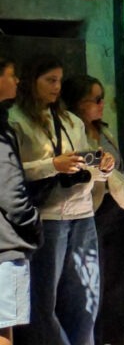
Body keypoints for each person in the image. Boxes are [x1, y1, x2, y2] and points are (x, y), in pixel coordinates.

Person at [10, 56, 112, 345]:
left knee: (86, 299)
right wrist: (52, 165)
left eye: (59, 80)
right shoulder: (17, 120)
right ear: (31, 81)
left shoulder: (71, 121)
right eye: (50, 80)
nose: (57, 87)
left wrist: (103, 167)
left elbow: (85, 167)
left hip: (82, 213)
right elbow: (13, 172)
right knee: (43, 301)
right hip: (48, 216)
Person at [62, 74, 124, 345]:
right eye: (95, 99)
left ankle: (116, 335)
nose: (102, 104)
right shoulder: (72, 133)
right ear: (78, 104)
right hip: (91, 211)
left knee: (117, 278)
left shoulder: (103, 129)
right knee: (94, 278)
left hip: (116, 211)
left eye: (102, 98)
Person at [0, 58, 40, 345]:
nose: (17, 81)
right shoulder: (1, 132)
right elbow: (10, 191)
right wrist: (32, 222)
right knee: (4, 329)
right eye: (11, 75)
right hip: (4, 246)